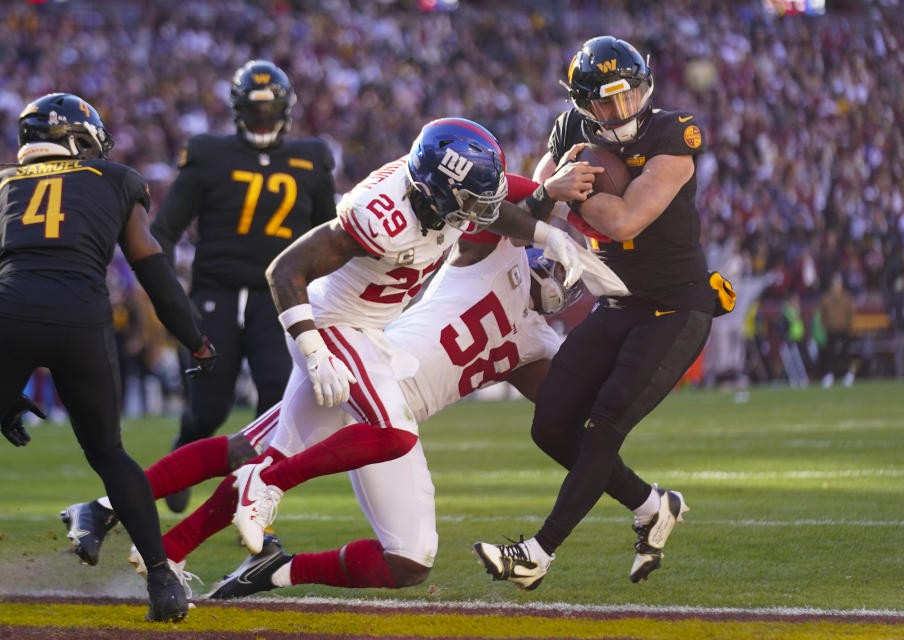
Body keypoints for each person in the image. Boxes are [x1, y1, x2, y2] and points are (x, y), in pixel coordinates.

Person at [60, 202, 594, 594]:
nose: (553, 275)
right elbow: (495, 196)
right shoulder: (494, 255)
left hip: (388, 407)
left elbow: (567, 406)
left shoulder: (543, 342)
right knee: (257, 459)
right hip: (367, 367)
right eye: (552, 260)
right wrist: (551, 199)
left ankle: (262, 567)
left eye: (565, 274)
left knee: (408, 560)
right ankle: (128, 521)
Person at [228, 117, 591, 557]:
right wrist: (314, 349)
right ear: (442, 191)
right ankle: (263, 485)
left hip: (370, 333)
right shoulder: (382, 215)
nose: (480, 212)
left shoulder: (440, 195)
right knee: (380, 436)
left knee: (261, 443)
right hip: (332, 325)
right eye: (471, 201)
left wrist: (547, 223)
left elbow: (496, 210)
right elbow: (285, 270)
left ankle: (167, 543)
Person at [0, 93, 217, 622]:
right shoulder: (113, 179)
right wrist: (196, 339)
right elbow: (153, 273)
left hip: (8, 313)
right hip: (80, 316)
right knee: (109, 454)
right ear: (78, 138)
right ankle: (161, 581)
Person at [473, 35, 717, 590]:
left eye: (627, 96)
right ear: (583, 104)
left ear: (644, 87)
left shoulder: (674, 132)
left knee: (605, 422)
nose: (618, 110)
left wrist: (569, 191)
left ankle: (537, 552)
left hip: (676, 304)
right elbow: (534, 200)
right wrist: (552, 188)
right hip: (615, 302)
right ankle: (653, 506)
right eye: (604, 102)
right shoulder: (568, 131)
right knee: (551, 423)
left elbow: (627, 220)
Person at [150, 60, 337, 514]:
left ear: (286, 110)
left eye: (270, 110)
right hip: (216, 292)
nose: (263, 120)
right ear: (237, 111)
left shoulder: (310, 158)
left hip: (278, 297)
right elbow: (164, 228)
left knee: (276, 393)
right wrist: (166, 285)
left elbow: (329, 235)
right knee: (209, 408)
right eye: (256, 111)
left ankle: (244, 490)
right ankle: (185, 447)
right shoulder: (210, 155)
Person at [818, 273, 856, 388]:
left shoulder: (846, 298)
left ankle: (848, 375)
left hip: (844, 330)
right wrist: (825, 326)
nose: (837, 287)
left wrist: (849, 326)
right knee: (830, 354)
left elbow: (851, 314)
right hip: (831, 330)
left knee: (846, 353)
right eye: (835, 285)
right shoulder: (826, 299)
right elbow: (822, 314)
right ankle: (829, 375)